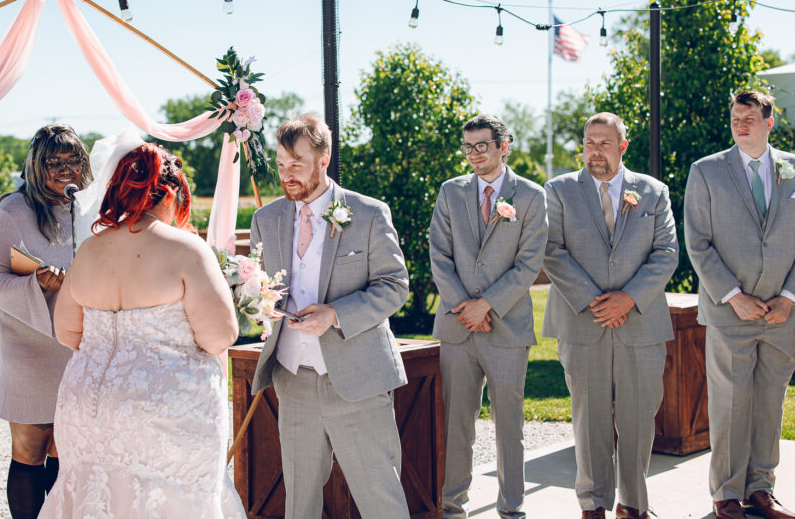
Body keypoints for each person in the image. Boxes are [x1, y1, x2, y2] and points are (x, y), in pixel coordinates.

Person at [40, 133, 243, 518]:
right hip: (164, 411)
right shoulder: (185, 249)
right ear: (168, 195)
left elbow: (66, 331)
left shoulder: (89, 250)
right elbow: (219, 335)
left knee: (92, 492)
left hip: (88, 406)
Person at [249, 113, 411, 519]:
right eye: (281, 165)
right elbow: (261, 287)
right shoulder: (264, 219)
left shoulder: (369, 213)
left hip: (357, 379)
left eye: (297, 165)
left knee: (381, 500)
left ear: (324, 159)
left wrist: (336, 314)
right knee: (299, 503)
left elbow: (395, 286)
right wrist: (254, 301)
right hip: (293, 380)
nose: (286, 175)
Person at [542, 112, 678, 519]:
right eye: (588, 142)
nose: (594, 150)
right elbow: (552, 250)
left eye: (603, 142)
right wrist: (597, 301)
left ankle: (634, 504)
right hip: (583, 322)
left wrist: (628, 299)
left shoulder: (653, 191)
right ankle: (594, 504)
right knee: (590, 422)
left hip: (641, 322)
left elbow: (666, 253)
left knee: (639, 420)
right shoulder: (559, 190)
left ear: (622, 146)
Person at [429, 114, 548, 519]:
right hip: (457, 327)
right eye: (468, 147)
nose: (474, 154)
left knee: (509, 425)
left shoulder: (531, 196)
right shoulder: (450, 192)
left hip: (507, 327)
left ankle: (512, 508)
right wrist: (465, 306)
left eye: (482, 145)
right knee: (456, 423)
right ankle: (452, 507)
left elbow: (529, 263)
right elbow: (439, 256)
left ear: (503, 146)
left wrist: (488, 306)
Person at [684, 90, 795, 519]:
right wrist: (734, 296)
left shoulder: (792, 168)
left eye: (750, 117)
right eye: (735, 116)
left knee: (770, 402)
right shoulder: (707, 171)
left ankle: (761, 490)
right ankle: (726, 495)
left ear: (770, 122)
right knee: (730, 403)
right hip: (731, 311)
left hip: (783, 314)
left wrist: (788, 297)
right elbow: (698, 242)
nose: (741, 124)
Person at [0, 124, 94, 519]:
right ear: (35, 165)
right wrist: (35, 282)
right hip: (29, 346)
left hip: (77, 344)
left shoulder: (91, 206)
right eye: (54, 162)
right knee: (31, 447)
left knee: (70, 445)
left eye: (73, 159)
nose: (66, 169)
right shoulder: (14, 210)